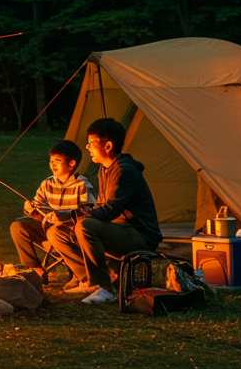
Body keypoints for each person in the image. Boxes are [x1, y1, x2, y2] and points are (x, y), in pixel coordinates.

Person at [47, 117, 162, 305]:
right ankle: (88, 279)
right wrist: (68, 217)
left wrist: (73, 215)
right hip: (117, 230)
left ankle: (104, 287)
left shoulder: (124, 170)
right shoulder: (105, 169)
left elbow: (110, 211)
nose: (87, 147)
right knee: (56, 231)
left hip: (140, 235)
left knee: (85, 225)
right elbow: (100, 206)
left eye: (92, 142)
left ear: (108, 146)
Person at [9, 140, 95, 287]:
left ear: (72, 163)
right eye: (51, 161)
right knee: (18, 226)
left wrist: (63, 216)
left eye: (57, 161)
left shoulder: (82, 185)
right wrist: (32, 210)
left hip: (71, 235)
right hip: (48, 229)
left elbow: (89, 211)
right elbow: (40, 207)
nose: (53, 164)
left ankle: (81, 275)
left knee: (55, 230)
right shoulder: (47, 184)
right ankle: (36, 271)